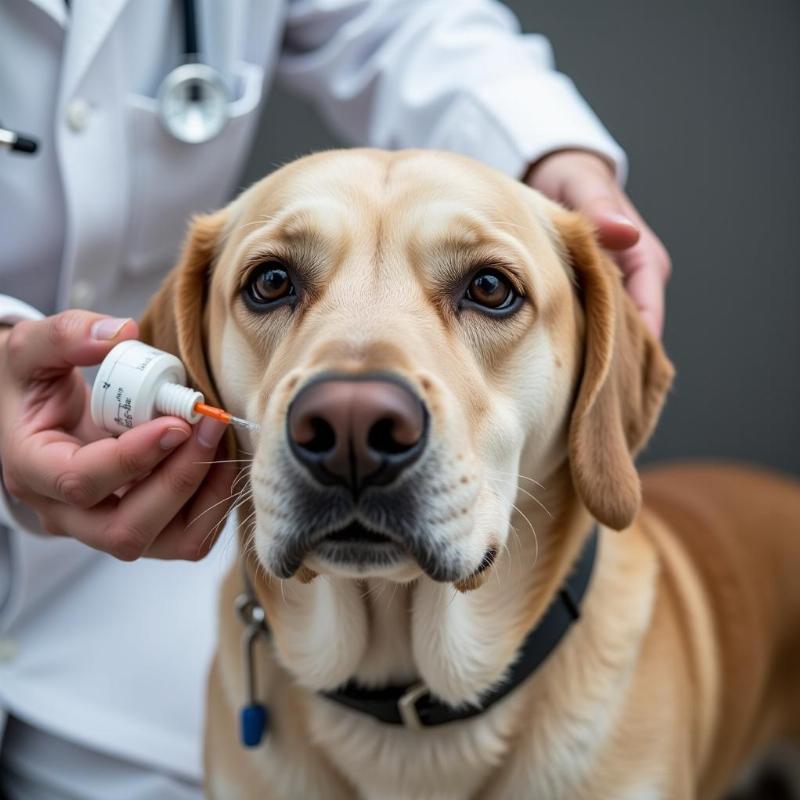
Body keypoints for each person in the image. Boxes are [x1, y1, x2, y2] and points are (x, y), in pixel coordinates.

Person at [0, 1, 670, 797]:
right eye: (273, 284)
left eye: (489, 290)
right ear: (192, 363)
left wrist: (556, 150)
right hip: (147, 619)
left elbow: (397, 20)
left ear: (596, 362)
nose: (355, 409)